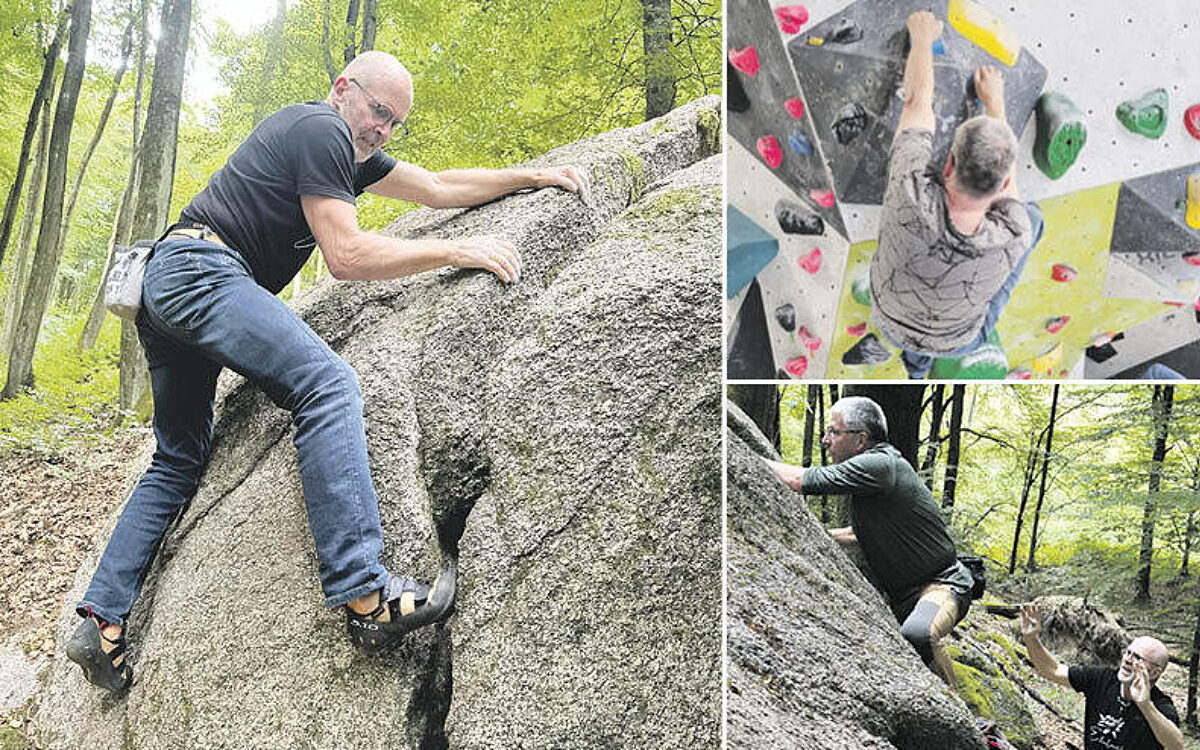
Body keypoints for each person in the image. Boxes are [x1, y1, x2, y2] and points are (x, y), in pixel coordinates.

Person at [66, 50, 584, 693]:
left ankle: (100, 619)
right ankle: (366, 595)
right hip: (200, 273)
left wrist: (529, 178)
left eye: (395, 122)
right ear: (344, 90)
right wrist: (455, 250)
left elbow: (438, 186)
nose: (382, 130)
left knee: (178, 460)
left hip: (168, 285)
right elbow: (345, 253)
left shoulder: (349, 154)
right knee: (329, 383)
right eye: (377, 112)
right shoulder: (322, 130)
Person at [870, 11, 1045, 379]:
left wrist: (921, 36)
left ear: (947, 164)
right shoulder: (1015, 233)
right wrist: (994, 101)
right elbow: (1010, 186)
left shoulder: (909, 188)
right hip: (958, 338)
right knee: (1036, 218)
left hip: (890, 318)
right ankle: (919, 365)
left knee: (916, 346)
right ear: (1000, 189)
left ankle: (915, 370)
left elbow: (916, 102)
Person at [764, 396, 974, 687]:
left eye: (834, 432)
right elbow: (857, 535)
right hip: (901, 598)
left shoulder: (879, 464)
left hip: (942, 585)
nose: (825, 440)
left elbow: (801, 480)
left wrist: (741, 454)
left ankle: (962, 721)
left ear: (861, 440)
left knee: (918, 634)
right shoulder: (873, 474)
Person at [1019, 603, 1183, 750]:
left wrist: (1145, 705)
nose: (1127, 660)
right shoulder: (1102, 679)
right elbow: (1053, 671)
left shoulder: (1161, 705)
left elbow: (1176, 746)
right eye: (1128, 653)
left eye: (1138, 658)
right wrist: (1031, 639)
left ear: (1155, 672)